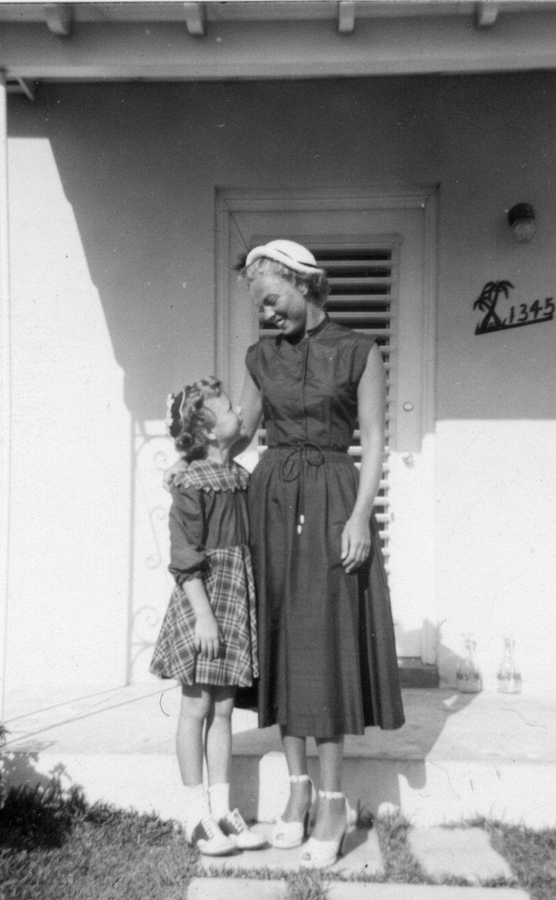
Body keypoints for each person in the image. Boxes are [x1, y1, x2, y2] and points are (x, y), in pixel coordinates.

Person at [166, 240, 405, 868]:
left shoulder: (359, 350)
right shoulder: (258, 356)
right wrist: (188, 451)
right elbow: (235, 432)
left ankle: (332, 799)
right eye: (260, 307)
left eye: (273, 301)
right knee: (281, 640)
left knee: (321, 641)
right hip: (268, 499)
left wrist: (361, 517)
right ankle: (295, 794)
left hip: (332, 497)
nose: (268, 314)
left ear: (306, 285)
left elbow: (377, 439)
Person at [150, 377, 267, 857]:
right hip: (204, 603)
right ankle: (194, 815)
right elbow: (184, 554)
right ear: (208, 431)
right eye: (226, 407)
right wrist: (203, 616)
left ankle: (221, 809)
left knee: (222, 711)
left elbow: (246, 423)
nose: (238, 407)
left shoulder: (236, 473)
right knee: (196, 707)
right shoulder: (192, 482)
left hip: (233, 598)